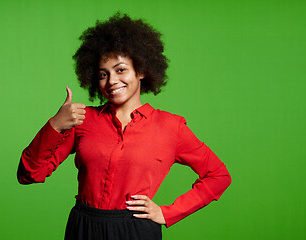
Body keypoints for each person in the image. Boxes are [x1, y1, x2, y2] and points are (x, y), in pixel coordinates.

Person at [17, 12, 231, 240]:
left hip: (136, 230)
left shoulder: (171, 126)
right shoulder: (82, 120)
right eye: (103, 74)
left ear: (141, 71)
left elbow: (218, 175)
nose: (111, 81)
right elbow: (29, 174)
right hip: (84, 227)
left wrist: (167, 213)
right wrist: (55, 125)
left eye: (120, 70)